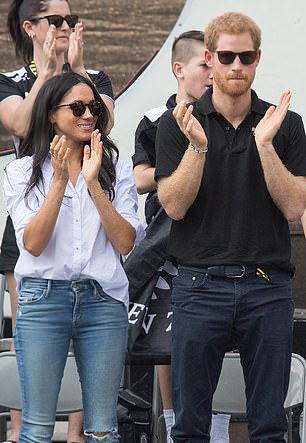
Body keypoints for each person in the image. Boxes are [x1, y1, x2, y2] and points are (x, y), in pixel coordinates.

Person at [155, 11, 306, 443]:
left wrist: (264, 143)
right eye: (227, 56)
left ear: (258, 59)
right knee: (188, 427)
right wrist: (198, 148)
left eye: (246, 56)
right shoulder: (178, 123)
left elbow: (295, 204)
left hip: (268, 285)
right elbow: (175, 207)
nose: (236, 66)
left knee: (270, 427)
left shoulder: (285, 124)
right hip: (199, 285)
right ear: (210, 58)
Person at [3, 71, 143, 443]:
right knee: (36, 428)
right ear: (51, 114)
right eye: (77, 107)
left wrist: (94, 182)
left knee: (102, 429)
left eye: (94, 107)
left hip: (103, 301)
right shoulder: (20, 172)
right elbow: (32, 243)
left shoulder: (118, 172)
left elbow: (126, 242)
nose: (88, 115)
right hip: (43, 298)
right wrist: (61, 179)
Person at [0, 1, 114, 442]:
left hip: (87, 203)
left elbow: (103, 120)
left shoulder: (93, 78)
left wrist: (78, 71)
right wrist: (47, 74)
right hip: (36, 210)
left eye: (71, 20)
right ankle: (22, 433)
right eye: (56, 20)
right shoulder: (11, 81)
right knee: (36, 344)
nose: (66, 27)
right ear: (30, 27)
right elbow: (25, 125)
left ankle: (78, 435)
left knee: (89, 347)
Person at [131, 30, 230, 443]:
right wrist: (183, 165)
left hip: (222, 241)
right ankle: (174, 425)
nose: (214, 71)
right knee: (173, 338)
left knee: (223, 335)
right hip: (170, 245)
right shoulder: (156, 118)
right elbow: (139, 179)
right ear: (179, 69)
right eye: (205, 64)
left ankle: (221, 426)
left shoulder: (229, 113)